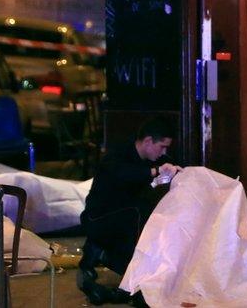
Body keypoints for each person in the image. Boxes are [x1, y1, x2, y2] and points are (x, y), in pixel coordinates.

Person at [78, 117, 183, 306]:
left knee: (149, 212)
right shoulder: (117, 154)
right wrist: (155, 172)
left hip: (124, 219)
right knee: (138, 210)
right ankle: (132, 273)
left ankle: (135, 273)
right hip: (98, 219)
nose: (164, 152)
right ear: (148, 141)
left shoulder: (155, 158)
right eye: (162, 147)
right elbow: (124, 174)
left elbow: (164, 166)